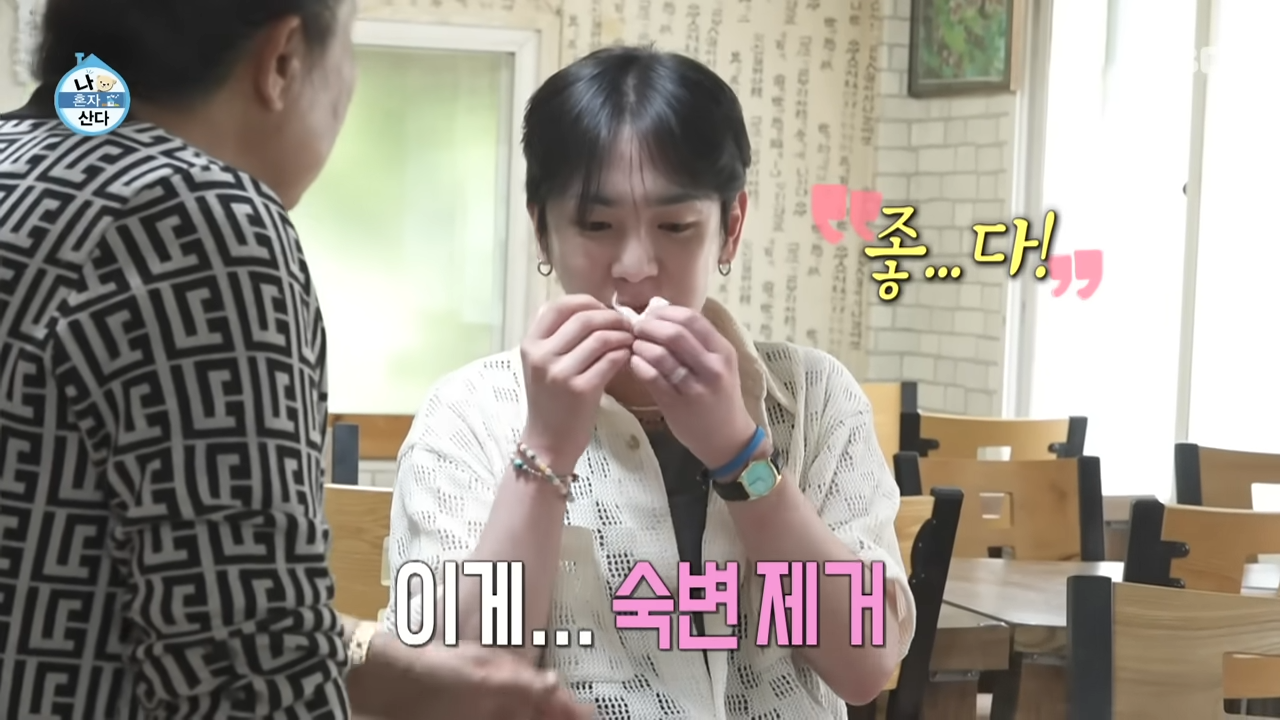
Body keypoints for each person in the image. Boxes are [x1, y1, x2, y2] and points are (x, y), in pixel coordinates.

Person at [0, 1, 589, 718]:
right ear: (283, 60)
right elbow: (247, 674)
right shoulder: (200, 220)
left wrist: (396, 672)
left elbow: (150, 598)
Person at [387, 45, 916, 718]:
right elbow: (453, 694)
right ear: (542, 232)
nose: (635, 266)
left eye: (675, 225)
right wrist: (544, 452)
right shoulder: (466, 414)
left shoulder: (816, 396)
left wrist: (739, 455)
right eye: (596, 224)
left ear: (730, 228)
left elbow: (863, 668)